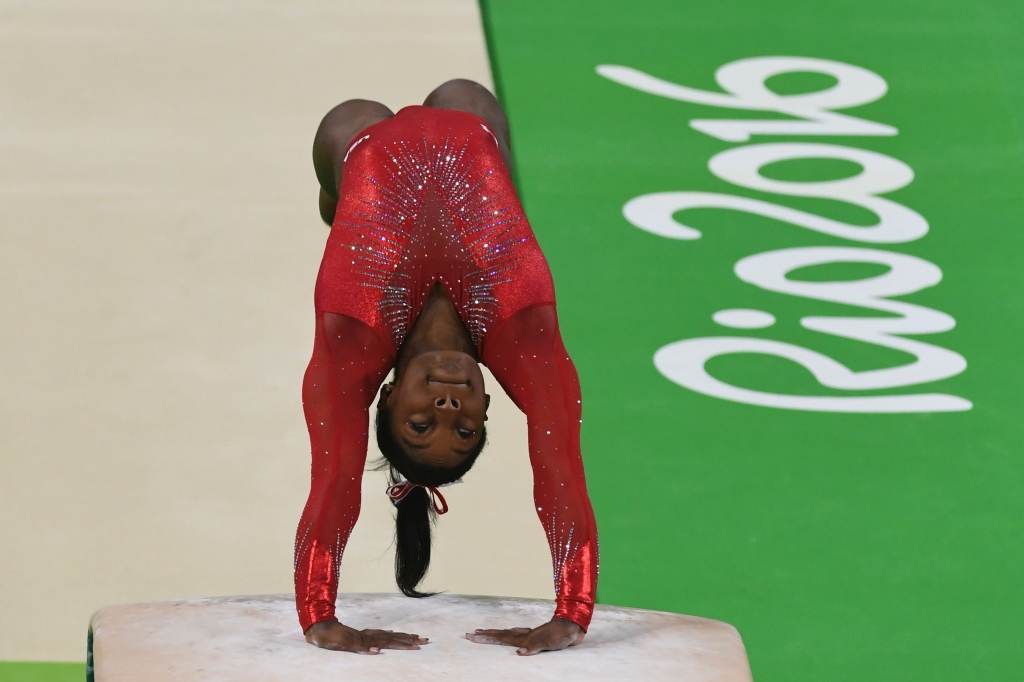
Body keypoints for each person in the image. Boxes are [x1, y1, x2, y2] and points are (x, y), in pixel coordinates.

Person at [294, 80, 598, 656]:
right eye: (465, 429)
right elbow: (560, 472)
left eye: (420, 426)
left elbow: (334, 482)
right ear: (490, 408)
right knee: (467, 98)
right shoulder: (528, 339)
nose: (447, 409)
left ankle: (337, 203)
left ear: (384, 399)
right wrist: (572, 612)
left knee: (349, 123)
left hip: (357, 144)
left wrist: (319, 615)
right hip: (474, 134)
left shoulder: (349, 343)